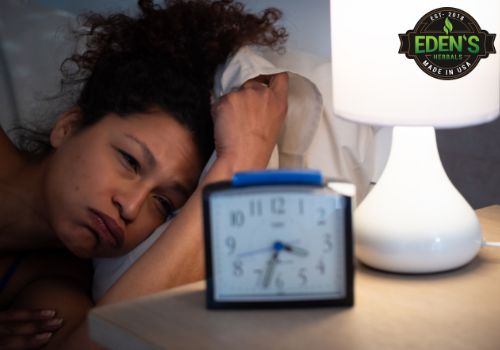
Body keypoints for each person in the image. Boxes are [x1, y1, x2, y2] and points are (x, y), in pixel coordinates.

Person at [0, 0, 288, 348]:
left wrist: (237, 167)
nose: (131, 208)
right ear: (68, 127)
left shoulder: (56, 288)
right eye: (131, 162)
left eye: (163, 202)